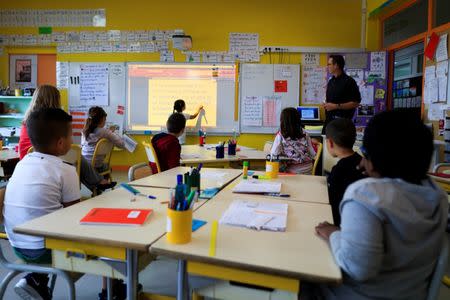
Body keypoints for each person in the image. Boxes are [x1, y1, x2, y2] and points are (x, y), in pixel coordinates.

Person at [310, 110, 448, 300]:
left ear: (372, 159)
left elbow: (357, 267)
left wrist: (333, 233)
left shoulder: (364, 195)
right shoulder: (437, 196)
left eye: (365, 153)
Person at [4, 108, 80, 300]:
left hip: (16, 244)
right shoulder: (66, 170)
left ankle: (37, 281)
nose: (72, 140)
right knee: (103, 239)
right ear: (61, 143)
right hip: (45, 250)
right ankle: (112, 291)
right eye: (71, 135)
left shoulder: (22, 163)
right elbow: (74, 217)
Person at [19, 85, 113, 192]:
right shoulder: (49, 120)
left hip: (27, 160)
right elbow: (60, 143)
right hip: (41, 157)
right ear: (54, 100)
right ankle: (97, 183)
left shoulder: (29, 118)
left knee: (75, 159)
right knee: (76, 158)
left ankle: (96, 184)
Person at [325, 118, 365, 226]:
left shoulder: (338, 171)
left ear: (330, 143)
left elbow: (332, 205)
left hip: (341, 227)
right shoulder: (363, 163)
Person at [321, 55, 361, 133]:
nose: (327, 66)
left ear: (336, 65)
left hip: (342, 124)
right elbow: (332, 100)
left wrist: (335, 106)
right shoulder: (331, 81)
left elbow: (355, 103)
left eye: (329, 64)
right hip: (329, 121)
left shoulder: (349, 81)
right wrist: (326, 105)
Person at [270, 107, 316, 174]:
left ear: (282, 121)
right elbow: (312, 153)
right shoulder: (305, 133)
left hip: (292, 171)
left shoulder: (280, 135)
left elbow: (274, 154)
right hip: (308, 169)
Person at [81, 106, 125, 174]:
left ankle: (99, 180)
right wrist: (112, 133)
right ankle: (102, 181)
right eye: (105, 119)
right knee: (108, 167)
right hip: (96, 166)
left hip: (83, 165)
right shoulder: (105, 132)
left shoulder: (84, 131)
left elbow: (82, 146)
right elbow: (121, 145)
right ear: (102, 119)